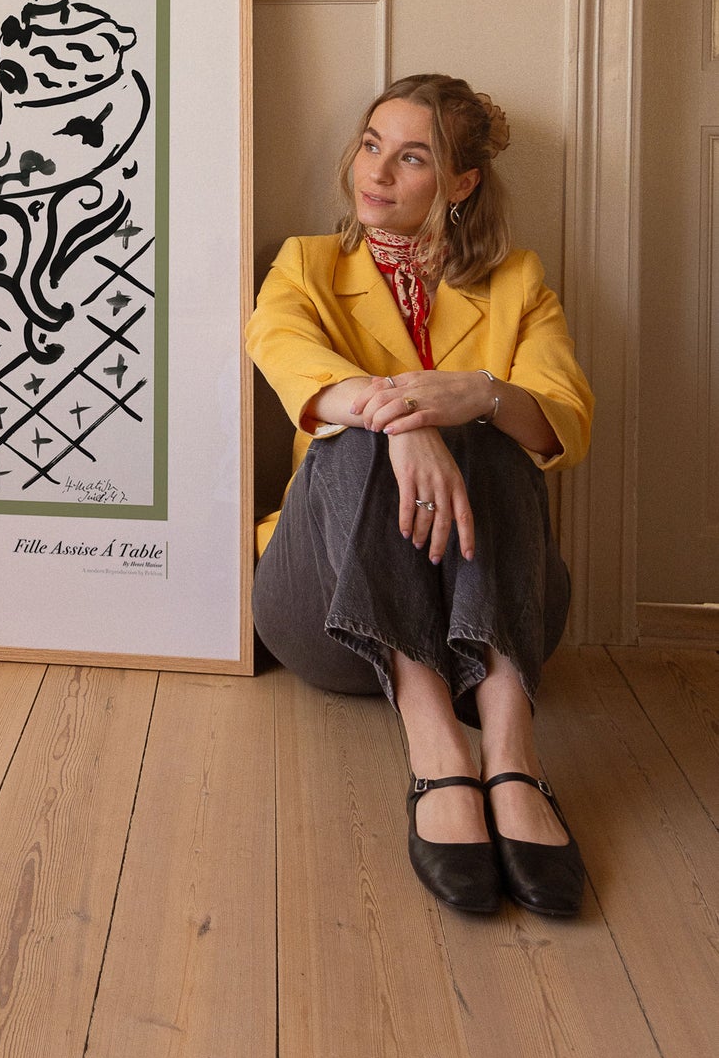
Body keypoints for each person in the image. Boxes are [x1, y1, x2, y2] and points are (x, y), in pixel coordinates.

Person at [245, 74, 594, 917]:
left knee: (505, 423)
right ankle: (437, 751)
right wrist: (400, 417)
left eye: (411, 157)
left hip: (493, 626)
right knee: (358, 427)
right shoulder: (308, 264)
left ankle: (511, 754)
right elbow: (283, 351)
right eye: (371, 144)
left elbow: (566, 424)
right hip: (331, 613)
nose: (377, 172)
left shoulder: (517, 282)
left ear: (462, 183)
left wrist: (475, 394)